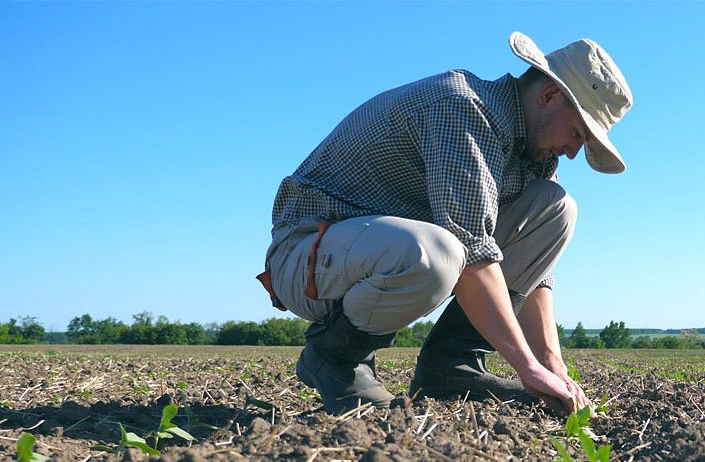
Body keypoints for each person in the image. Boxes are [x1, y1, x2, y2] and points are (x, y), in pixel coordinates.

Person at [257, 32, 631, 416]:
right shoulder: (464, 108)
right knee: (438, 253)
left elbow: (535, 274)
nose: (573, 152)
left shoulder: (531, 151)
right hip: (306, 256)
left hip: (372, 254)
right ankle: (335, 357)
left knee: (556, 207)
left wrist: (553, 363)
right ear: (549, 95)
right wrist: (527, 367)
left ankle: (451, 367)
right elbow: (470, 251)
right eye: (577, 134)